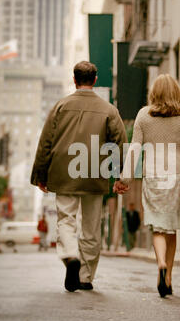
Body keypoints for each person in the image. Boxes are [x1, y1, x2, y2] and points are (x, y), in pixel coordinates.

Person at [31, 61, 127, 292]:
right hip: (95, 172)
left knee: (66, 219)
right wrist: (120, 176)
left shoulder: (60, 106)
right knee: (92, 226)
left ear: (74, 80)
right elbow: (119, 144)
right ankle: (85, 276)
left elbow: (46, 142)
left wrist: (40, 175)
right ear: (95, 80)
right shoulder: (109, 110)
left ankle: (70, 256)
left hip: (64, 172)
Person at [114, 74, 180, 298]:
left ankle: (160, 264)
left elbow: (135, 149)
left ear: (154, 93)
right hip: (176, 174)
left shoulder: (143, 115)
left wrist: (124, 179)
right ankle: (168, 278)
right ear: (175, 92)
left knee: (158, 226)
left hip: (153, 175)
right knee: (172, 227)